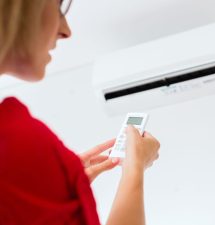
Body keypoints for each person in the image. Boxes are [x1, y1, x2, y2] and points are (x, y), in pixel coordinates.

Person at [0, 0, 160, 224]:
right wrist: (135, 168)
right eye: (58, 7)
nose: (66, 31)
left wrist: (56, 186)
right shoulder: (15, 139)